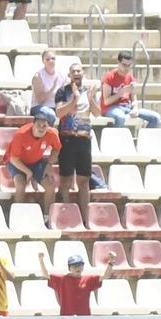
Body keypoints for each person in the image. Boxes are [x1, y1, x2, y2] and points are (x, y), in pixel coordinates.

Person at [52, 63, 94, 216]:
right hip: (67, 139)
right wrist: (74, 100)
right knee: (66, 181)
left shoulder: (89, 91)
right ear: (69, 75)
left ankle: (85, 218)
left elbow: (97, 112)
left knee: (84, 181)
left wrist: (91, 99)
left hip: (84, 139)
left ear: (83, 73)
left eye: (79, 71)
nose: (76, 73)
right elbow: (59, 113)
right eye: (73, 71)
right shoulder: (63, 92)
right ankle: (66, 215)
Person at [2, 108, 61, 214]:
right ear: (33, 125)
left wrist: (50, 164)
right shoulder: (21, 135)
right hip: (17, 162)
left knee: (50, 185)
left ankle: (47, 217)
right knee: (20, 183)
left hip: (36, 161)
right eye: (39, 125)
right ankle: (17, 215)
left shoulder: (52, 133)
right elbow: (14, 159)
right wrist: (29, 173)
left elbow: (57, 148)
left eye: (44, 126)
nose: (41, 129)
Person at [98, 50, 161, 128]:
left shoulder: (130, 78)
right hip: (111, 108)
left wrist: (135, 108)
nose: (126, 68)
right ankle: (117, 140)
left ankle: (144, 139)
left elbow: (134, 99)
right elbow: (106, 101)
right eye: (124, 65)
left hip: (127, 107)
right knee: (120, 117)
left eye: (129, 65)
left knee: (155, 118)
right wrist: (121, 92)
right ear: (118, 63)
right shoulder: (109, 77)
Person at [46, 250, 109, 316]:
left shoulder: (88, 279)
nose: (77, 268)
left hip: (84, 317)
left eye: (80, 265)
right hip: (67, 317)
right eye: (74, 266)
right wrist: (41, 259)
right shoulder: (62, 279)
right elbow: (46, 275)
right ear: (69, 268)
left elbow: (106, 276)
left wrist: (111, 263)